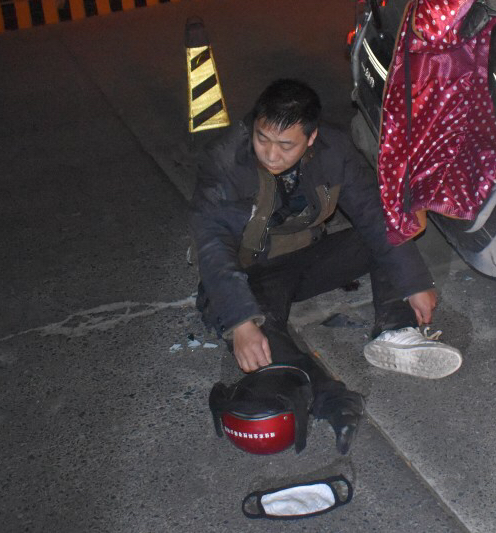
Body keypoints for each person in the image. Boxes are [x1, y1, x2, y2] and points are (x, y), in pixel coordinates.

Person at [191, 78, 462, 454]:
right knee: (260, 335)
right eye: (262, 139)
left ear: (311, 138)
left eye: (286, 145)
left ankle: (395, 332)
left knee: (385, 234)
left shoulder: (334, 150)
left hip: (307, 258)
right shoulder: (224, 159)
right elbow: (212, 244)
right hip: (252, 273)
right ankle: (331, 399)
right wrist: (239, 321)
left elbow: (373, 215)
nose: (271, 154)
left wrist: (413, 281)